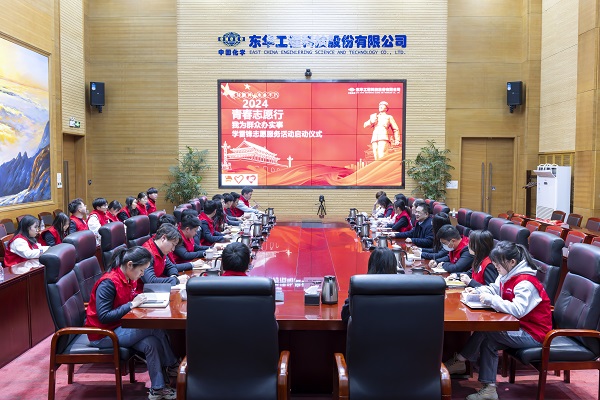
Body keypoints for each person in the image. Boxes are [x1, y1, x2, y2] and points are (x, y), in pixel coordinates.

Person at [444, 241, 552, 400]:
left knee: (487, 331)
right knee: (489, 342)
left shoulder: (526, 282)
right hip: (517, 328)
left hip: (533, 334)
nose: (495, 267)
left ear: (512, 262)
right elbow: (494, 289)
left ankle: (460, 360)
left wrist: (492, 300)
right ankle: (489, 389)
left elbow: (518, 310)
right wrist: (478, 290)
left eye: (498, 264)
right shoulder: (507, 274)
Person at [85, 246, 178, 400]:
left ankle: (158, 389)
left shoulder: (128, 277)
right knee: (155, 327)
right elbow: (104, 316)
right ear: (129, 265)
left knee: (151, 343)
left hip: (121, 327)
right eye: (141, 270)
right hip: (103, 335)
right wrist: (131, 305)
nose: (142, 274)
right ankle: (173, 365)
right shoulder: (108, 283)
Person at [341, 247, 397, 323]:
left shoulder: (359, 285)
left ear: (371, 265)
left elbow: (345, 316)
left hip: (364, 330)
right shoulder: (404, 287)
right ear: (394, 265)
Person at [139, 224, 199, 292]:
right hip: (143, 293)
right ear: (163, 238)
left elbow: (171, 267)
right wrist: (176, 280)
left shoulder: (161, 249)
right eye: (173, 245)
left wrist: (174, 276)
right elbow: (151, 281)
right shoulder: (147, 253)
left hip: (157, 290)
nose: (173, 249)